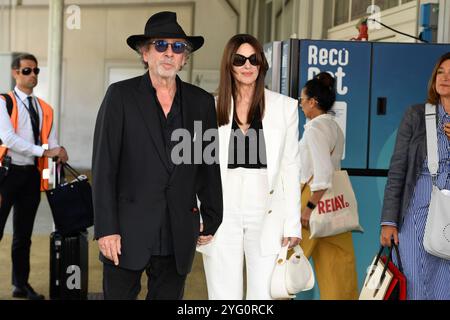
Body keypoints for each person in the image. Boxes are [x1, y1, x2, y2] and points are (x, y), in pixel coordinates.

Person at [92, 11, 223, 300]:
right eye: (160, 45)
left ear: (185, 58)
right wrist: (106, 229)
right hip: (125, 232)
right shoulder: (120, 96)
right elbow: (104, 168)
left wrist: (213, 215)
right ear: (145, 53)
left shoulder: (201, 102)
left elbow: (207, 164)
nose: (169, 53)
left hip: (178, 231)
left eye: (177, 47)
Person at [197, 34, 301, 300]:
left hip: (267, 213)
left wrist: (292, 224)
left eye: (253, 59)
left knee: (265, 295)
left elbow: (291, 168)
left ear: (262, 63)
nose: (247, 65)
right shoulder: (209, 107)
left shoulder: (284, 108)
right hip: (222, 211)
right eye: (239, 59)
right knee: (223, 295)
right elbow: (198, 167)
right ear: (229, 64)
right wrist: (198, 217)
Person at [380, 52, 450, 300]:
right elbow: (397, 169)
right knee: (414, 284)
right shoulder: (416, 115)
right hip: (417, 213)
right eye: (441, 72)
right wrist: (389, 221)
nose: (445, 78)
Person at [0, 53, 68, 300]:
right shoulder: (3, 102)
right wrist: (45, 150)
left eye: (36, 71)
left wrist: (59, 150)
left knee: (24, 236)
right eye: (27, 71)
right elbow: (8, 139)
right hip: (5, 175)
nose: (32, 75)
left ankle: (21, 285)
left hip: (30, 176)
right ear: (15, 73)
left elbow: (51, 139)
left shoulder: (44, 108)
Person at [298, 72, 358, 300]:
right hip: (335, 203)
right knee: (338, 266)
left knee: (288, 262)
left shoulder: (314, 129)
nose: (301, 104)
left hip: (312, 197)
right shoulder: (334, 127)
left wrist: (308, 208)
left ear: (313, 102)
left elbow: (322, 174)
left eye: (302, 100)